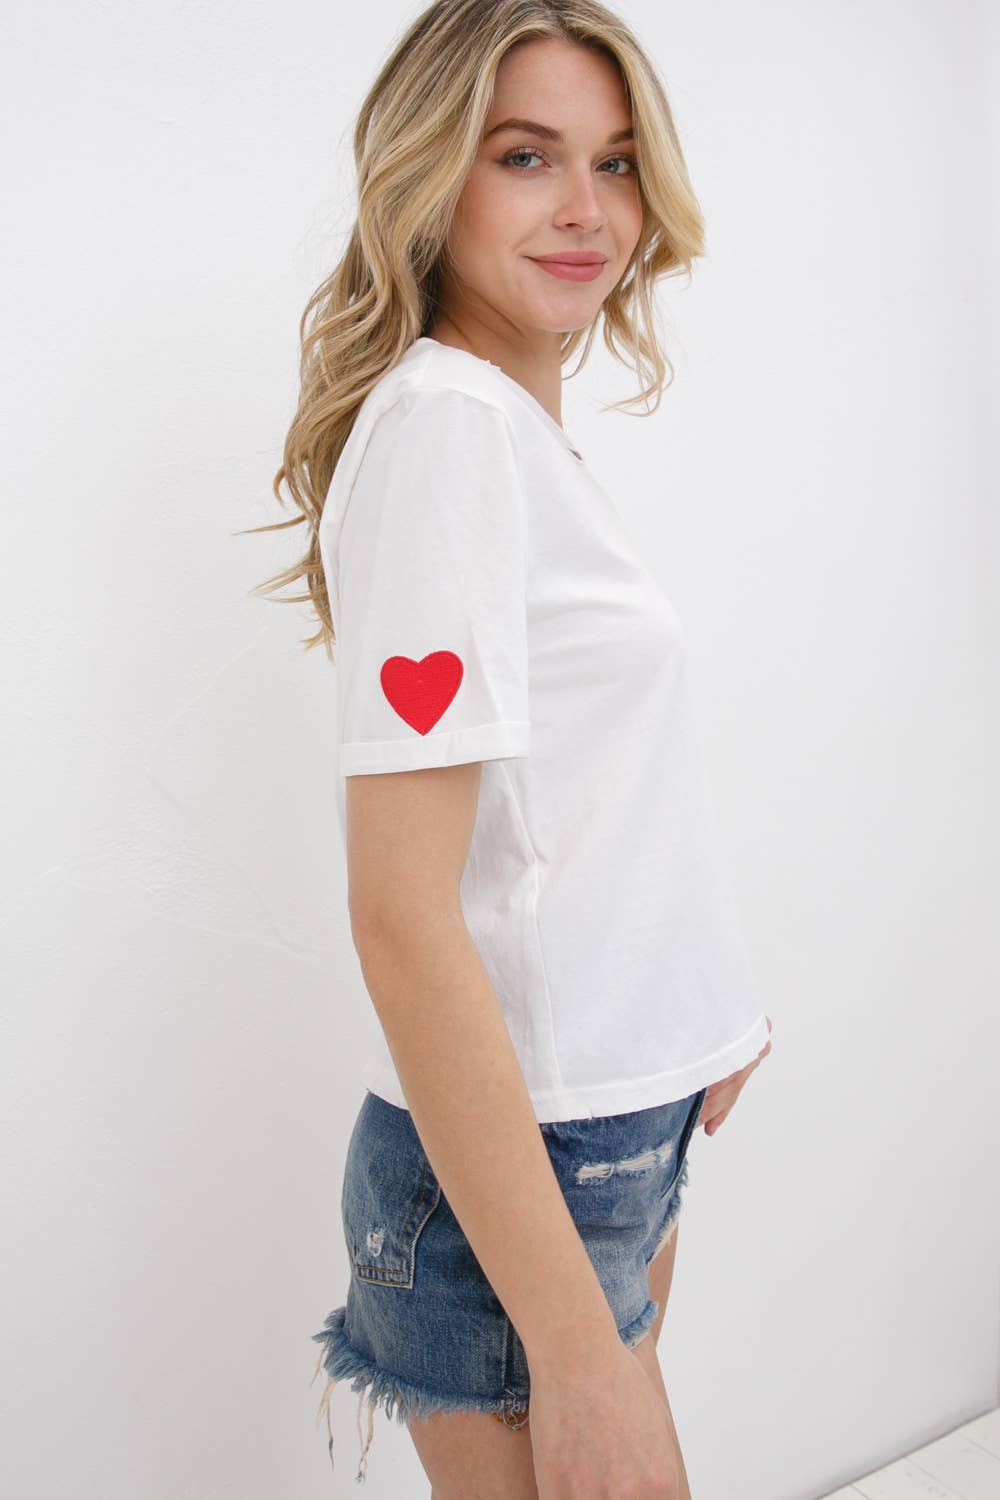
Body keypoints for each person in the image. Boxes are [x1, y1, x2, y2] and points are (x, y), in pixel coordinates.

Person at [249, 2, 774, 1494]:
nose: (586, 208)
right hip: (526, 1174)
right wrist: (581, 1357)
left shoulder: (508, 434)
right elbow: (402, 913)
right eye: (527, 155)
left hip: (610, 1132)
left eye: (616, 161)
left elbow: (579, 801)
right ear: (433, 177)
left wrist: (698, 1003)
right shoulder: (449, 434)